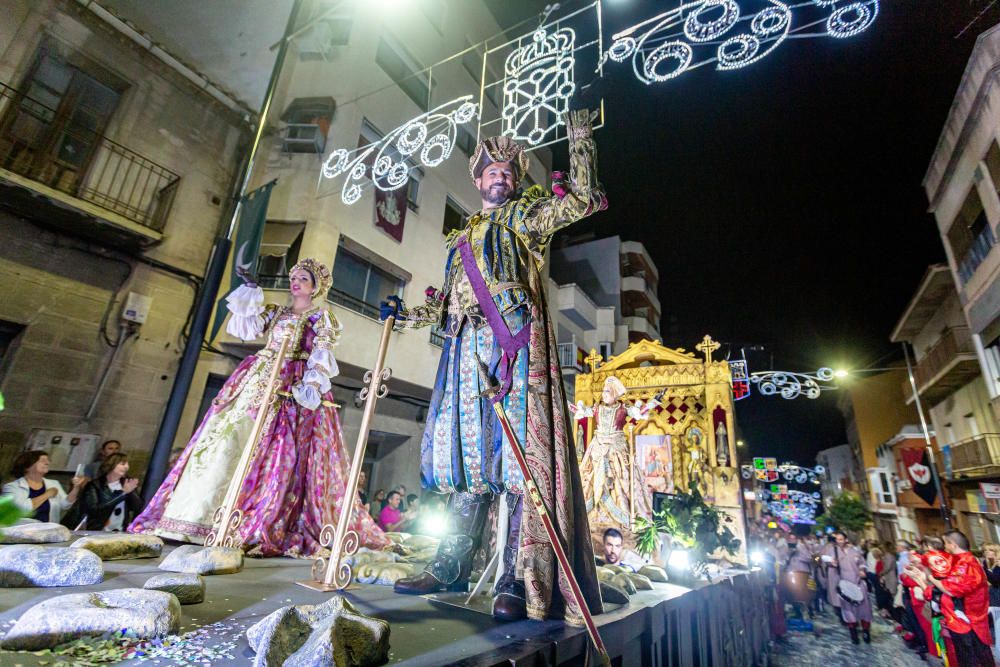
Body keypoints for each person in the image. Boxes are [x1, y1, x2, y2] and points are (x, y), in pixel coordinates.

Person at [388, 108, 606, 624]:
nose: (501, 177)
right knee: (466, 461)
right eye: (493, 171)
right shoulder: (460, 238)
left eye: (509, 172)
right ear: (478, 178)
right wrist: (405, 312)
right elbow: (445, 304)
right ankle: (450, 565)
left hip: (513, 345)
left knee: (515, 464)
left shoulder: (527, 219)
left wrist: (579, 137)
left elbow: (579, 200)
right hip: (463, 350)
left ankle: (515, 577)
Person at [130, 259, 388, 557]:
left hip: (292, 380)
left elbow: (321, 353)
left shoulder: (321, 316)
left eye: (303, 278)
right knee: (226, 439)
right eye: (294, 277)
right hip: (258, 377)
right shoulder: (277, 311)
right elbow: (247, 327)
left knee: (277, 450)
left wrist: (309, 387)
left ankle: (254, 520)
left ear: (316, 287)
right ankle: (198, 518)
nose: (296, 282)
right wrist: (252, 287)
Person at [569, 376, 659, 547]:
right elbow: (579, 411)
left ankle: (624, 521)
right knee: (590, 481)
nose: (604, 394)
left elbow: (640, 412)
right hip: (597, 449)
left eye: (607, 391)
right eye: (603, 391)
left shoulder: (623, 408)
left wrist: (654, 402)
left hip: (616, 450)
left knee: (621, 483)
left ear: (616, 394)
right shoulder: (597, 408)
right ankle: (590, 520)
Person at [921, 530, 993, 666]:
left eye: (945, 543)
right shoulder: (961, 561)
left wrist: (929, 577)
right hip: (965, 620)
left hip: (968, 622)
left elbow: (951, 590)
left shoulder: (966, 564)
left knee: (972, 658)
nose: (944, 547)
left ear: (952, 544)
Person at [3, 450, 85, 524]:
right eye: (42, 461)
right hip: (21, 532)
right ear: (27, 466)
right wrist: (47, 494)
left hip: (48, 532)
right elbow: (22, 510)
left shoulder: (53, 483)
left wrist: (76, 487)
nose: (47, 463)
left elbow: (65, 505)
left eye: (48, 460)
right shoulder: (12, 487)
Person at [821, 531, 873, 644]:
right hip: (844, 585)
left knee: (865, 609)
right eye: (837, 539)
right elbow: (824, 561)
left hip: (858, 583)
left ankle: (866, 631)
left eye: (841, 539)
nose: (839, 541)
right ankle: (853, 633)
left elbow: (862, 563)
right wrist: (831, 564)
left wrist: (862, 570)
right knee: (848, 611)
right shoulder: (832, 551)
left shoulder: (855, 551)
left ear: (846, 540)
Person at [76, 453, 144, 531]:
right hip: (97, 530)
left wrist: (130, 493)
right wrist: (122, 493)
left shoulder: (126, 483)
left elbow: (137, 507)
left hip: (119, 531)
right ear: (111, 465)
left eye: (127, 464)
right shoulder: (95, 485)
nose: (126, 467)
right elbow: (94, 510)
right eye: (122, 464)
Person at [981, 541, 1000, 608]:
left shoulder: (998, 563)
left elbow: (995, 580)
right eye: (985, 550)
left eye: (990, 550)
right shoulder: (986, 562)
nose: (987, 552)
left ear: (996, 552)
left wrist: (988, 569)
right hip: (992, 591)